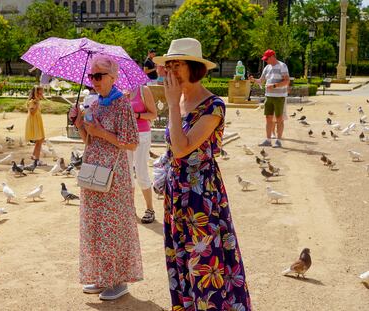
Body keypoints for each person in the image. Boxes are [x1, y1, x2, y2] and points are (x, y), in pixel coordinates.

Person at [153, 37, 252, 310]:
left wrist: (172, 105)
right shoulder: (181, 100)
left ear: (194, 67)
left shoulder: (213, 106)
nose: (170, 71)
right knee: (181, 259)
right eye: (168, 65)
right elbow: (172, 148)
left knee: (207, 263)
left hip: (201, 195)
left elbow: (183, 148)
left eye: (176, 65)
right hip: (177, 191)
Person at [71, 55, 143, 300]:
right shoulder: (94, 103)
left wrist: (101, 132)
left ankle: (119, 280)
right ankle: (102, 277)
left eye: (98, 76)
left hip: (114, 172)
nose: (93, 80)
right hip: (93, 170)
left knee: (114, 227)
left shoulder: (122, 103)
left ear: (113, 77)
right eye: (91, 76)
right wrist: (79, 123)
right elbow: (89, 141)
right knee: (95, 225)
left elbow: (132, 143)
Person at [128, 84, 157, 223]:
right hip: (124, 136)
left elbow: (153, 114)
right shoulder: (117, 91)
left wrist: (137, 115)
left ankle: (150, 209)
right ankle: (130, 208)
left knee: (141, 172)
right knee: (126, 173)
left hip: (142, 134)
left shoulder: (143, 90)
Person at [249, 49, 290, 148]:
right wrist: (254, 80)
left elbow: (287, 81)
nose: (265, 61)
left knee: (279, 119)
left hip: (279, 97)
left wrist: (274, 86)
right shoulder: (267, 67)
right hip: (268, 96)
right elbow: (261, 81)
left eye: (267, 59)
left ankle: (278, 141)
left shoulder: (282, 66)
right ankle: (268, 140)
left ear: (272, 57)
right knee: (268, 118)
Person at [25, 86, 45, 163]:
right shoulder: (32, 101)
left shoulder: (36, 101)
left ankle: (34, 156)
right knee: (40, 139)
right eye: (40, 93)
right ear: (36, 93)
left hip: (37, 121)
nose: (41, 94)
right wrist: (36, 105)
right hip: (34, 122)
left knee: (40, 139)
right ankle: (36, 159)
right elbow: (32, 113)